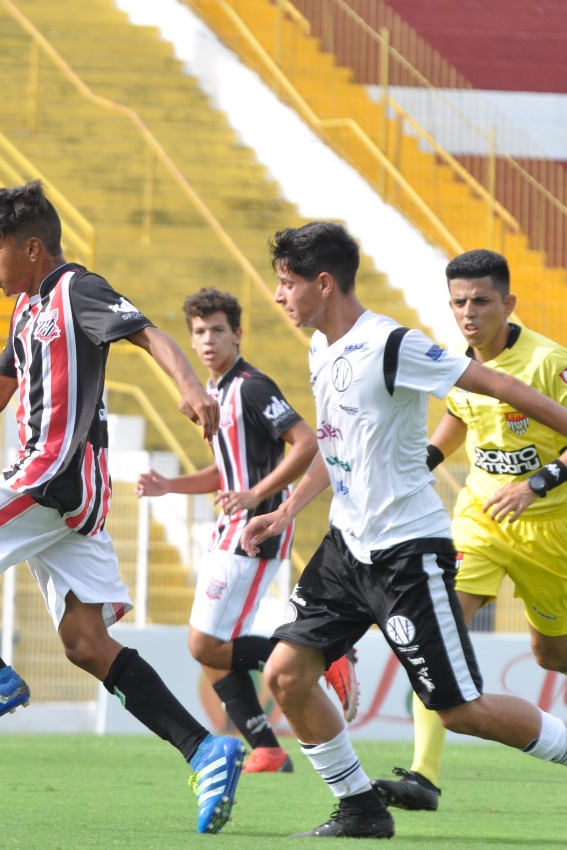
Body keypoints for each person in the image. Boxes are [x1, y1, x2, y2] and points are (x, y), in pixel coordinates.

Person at [242, 221, 567, 844]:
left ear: (322, 284)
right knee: (285, 675)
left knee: (460, 709)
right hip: (346, 548)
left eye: (286, 283)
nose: (278, 296)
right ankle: (359, 809)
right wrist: (288, 507)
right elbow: (335, 444)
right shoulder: (321, 350)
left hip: (407, 552)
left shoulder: (390, 344)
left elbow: (498, 384)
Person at [0, 180, 244, 834]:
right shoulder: (26, 309)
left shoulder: (75, 290)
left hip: (50, 478)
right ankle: (206, 749)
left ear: (31, 247)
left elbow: (149, 334)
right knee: (86, 644)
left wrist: (190, 390)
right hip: (70, 488)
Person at [373, 249, 567, 813]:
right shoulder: (454, 362)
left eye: (482, 301)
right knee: (435, 630)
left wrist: (538, 483)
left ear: (508, 303)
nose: (469, 312)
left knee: (552, 653)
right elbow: (462, 416)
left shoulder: (549, 362)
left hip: (552, 523)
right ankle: (424, 775)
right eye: (460, 302)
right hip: (480, 518)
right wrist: (425, 461)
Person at [136, 287, 356, 775]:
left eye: (218, 330)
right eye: (199, 332)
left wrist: (257, 497)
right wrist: (169, 485)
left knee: (204, 644)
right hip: (228, 526)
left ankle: (324, 654)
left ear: (237, 333)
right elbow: (226, 471)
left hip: (257, 531)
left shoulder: (252, 387)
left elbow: (306, 445)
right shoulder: (212, 394)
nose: (208, 340)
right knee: (212, 650)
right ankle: (267, 748)